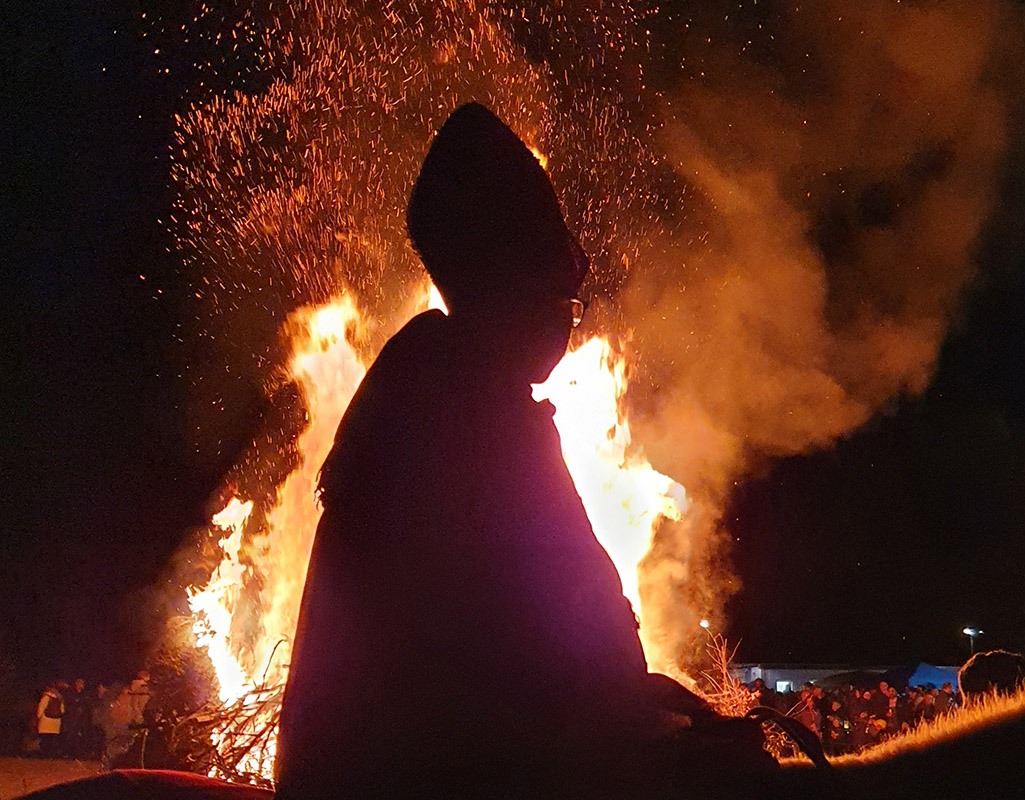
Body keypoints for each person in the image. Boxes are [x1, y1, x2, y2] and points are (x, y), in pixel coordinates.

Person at [275, 103, 767, 799]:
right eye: (560, 302)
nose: (565, 323)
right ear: (509, 288)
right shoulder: (477, 414)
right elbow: (561, 637)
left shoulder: (415, 390)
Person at [35, 683, 64, 758]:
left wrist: (38, 717)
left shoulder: (46, 697)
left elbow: (41, 708)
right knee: (52, 739)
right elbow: (62, 710)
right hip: (56, 721)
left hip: (46, 720)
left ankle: (44, 754)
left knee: (45, 738)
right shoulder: (59, 698)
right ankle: (51, 754)